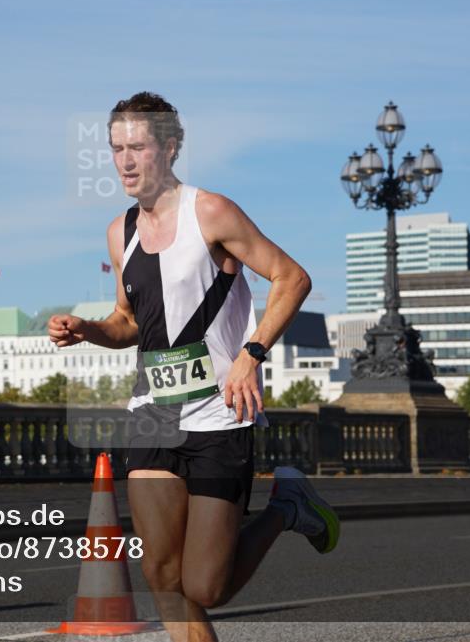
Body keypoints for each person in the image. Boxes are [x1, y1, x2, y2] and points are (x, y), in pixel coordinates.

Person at [48, 91, 339, 642]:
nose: (126, 161)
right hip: (152, 413)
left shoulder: (211, 211)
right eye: (116, 149)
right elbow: (128, 322)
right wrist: (87, 328)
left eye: (138, 147)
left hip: (218, 415)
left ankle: (286, 506)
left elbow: (292, 278)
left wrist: (252, 354)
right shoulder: (120, 232)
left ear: (171, 147)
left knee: (206, 586)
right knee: (162, 575)